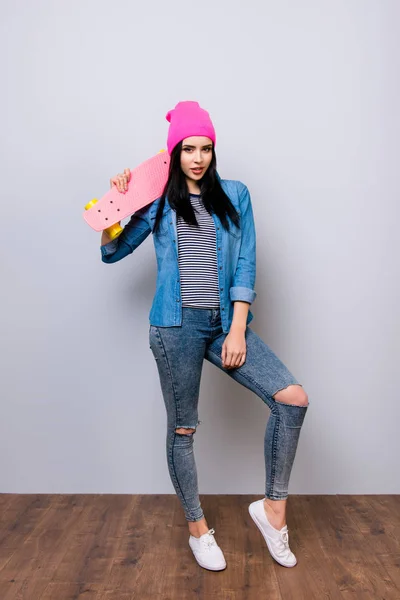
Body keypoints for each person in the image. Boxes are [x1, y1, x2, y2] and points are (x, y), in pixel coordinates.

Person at [100, 100, 309, 571]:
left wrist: (237, 328)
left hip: (222, 324)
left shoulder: (235, 195)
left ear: (214, 152)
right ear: (174, 153)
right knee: (183, 429)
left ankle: (273, 511)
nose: (197, 158)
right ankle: (198, 529)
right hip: (173, 327)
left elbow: (246, 263)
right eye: (188, 149)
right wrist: (117, 203)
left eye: (206, 148)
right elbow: (112, 253)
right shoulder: (157, 204)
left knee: (291, 398)